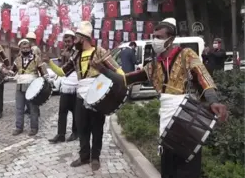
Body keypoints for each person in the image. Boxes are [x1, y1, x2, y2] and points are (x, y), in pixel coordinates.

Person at [93, 18, 227, 178]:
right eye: (153, 36)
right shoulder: (153, 65)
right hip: (166, 122)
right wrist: (103, 70)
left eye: (159, 37)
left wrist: (213, 100)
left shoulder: (186, 55)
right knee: (168, 169)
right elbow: (126, 79)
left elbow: (202, 76)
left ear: (171, 39)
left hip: (187, 118)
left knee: (188, 168)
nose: (154, 40)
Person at [43, 21, 126, 171]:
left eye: (76, 38)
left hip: (97, 95)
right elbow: (63, 72)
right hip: (80, 95)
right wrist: (49, 62)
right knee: (82, 127)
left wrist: (103, 71)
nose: (74, 42)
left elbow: (119, 72)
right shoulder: (76, 55)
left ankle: (95, 157)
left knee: (97, 127)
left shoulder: (100, 51)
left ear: (84, 38)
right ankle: (84, 156)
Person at [11, 39, 49, 136]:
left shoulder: (36, 58)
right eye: (23, 48)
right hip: (20, 86)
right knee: (19, 108)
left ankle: (34, 128)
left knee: (33, 108)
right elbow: (12, 72)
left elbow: (43, 72)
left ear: (30, 48)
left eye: (27, 47)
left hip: (32, 86)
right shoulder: (17, 59)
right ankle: (19, 127)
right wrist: (5, 71)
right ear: (20, 48)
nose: (25, 49)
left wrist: (46, 81)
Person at [48, 30, 78, 143]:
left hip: (75, 84)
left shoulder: (77, 52)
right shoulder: (64, 51)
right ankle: (61, 134)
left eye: (69, 41)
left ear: (74, 41)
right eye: (65, 41)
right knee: (62, 111)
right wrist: (62, 58)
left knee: (75, 111)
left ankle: (75, 132)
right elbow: (61, 66)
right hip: (65, 84)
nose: (66, 43)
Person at [25, 32, 42, 114]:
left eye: (28, 40)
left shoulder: (34, 49)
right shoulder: (35, 48)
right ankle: (29, 109)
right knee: (29, 91)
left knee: (32, 92)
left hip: (33, 73)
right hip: (30, 73)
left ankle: (35, 110)